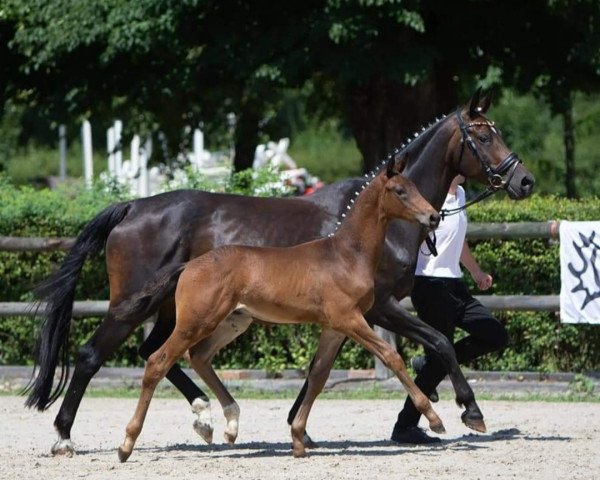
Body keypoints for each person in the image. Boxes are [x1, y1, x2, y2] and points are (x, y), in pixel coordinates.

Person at [391, 175, 509, 444]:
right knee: (439, 359)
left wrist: (476, 272)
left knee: (495, 335)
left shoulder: (462, 194)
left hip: (455, 284)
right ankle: (404, 426)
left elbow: (458, 240)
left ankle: (429, 364)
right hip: (429, 283)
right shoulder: (428, 194)